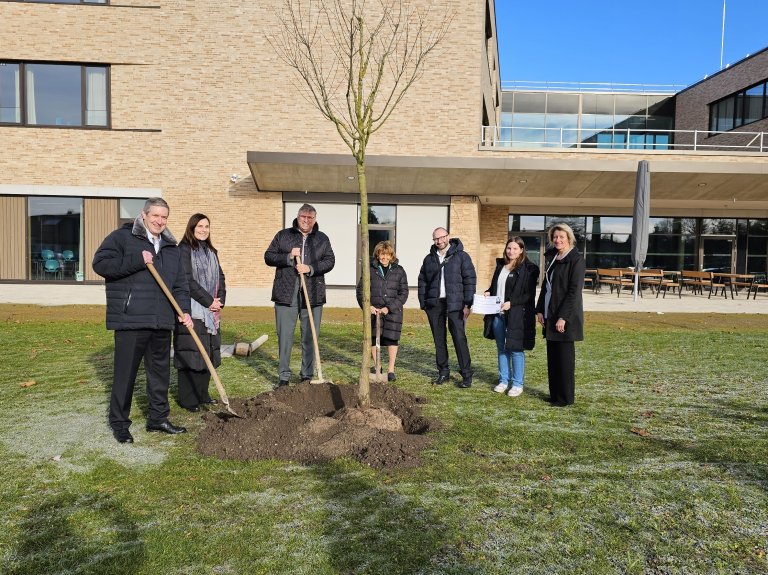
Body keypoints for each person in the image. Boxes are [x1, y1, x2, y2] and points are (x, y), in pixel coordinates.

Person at [92, 197, 193, 444]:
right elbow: (100, 264)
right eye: (155, 215)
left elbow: (180, 284)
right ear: (144, 215)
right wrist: (138, 260)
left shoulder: (171, 247)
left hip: (161, 320)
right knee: (125, 375)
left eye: (164, 217)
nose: (159, 221)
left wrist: (184, 309)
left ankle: (158, 418)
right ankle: (120, 423)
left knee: (159, 374)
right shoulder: (122, 237)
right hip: (131, 319)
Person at [264, 204, 335, 387]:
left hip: (313, 294)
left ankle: (306, 375)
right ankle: (284, 376)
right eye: (303, 216)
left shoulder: (321, 239)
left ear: (315, 220)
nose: (306, 220)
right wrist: (288, 256)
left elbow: (330, 261)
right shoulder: (283, 235)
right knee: (285, 336)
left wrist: (310, 268)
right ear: (297, 216)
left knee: (310, 336)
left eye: (310, 218)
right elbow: (269, 256)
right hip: (286, 293)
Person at [173, 213, 226, 412]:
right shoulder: (184, 250)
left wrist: (219, 301)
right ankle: (188, 399)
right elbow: (187, 280)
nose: (204, 230)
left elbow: (221, 277)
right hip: (192, 309)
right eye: (200, 226)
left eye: (207, 226)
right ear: (192, 228)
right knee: (192, 354)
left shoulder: (211, 251)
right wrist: (208, 300)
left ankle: (203, 394)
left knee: (208, 353)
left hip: (211, 313)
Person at [417, 227, 476, 388]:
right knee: (439, 340)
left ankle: (466, 374)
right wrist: (424, 302)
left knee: (459, 338)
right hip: (435, 305)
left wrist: (468, 303)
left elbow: (470, 279)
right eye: (436, 239)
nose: (439, 241)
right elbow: (422, 280)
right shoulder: (429, 259)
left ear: (448, 237)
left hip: (456, 304)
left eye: (442, 237)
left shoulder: (462, 257)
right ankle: (443, 371)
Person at [535, 223, 585, 407]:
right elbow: (545, 287)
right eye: (555, 237)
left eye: (561, 237)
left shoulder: (576, 260)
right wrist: (539, 309)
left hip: (565, 317)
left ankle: (565, 398)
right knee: (553, 358)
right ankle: (555, 395)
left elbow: (574, 292)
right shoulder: (553, 258)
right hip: (550, 313)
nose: (557, 240)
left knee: (564, 360)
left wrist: (563, 317)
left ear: (569, 238)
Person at [483, 237, 539, 397]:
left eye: (515, 248)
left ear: (521, 250)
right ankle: (503, 380)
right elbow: (497, 286)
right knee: (501, 348)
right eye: (509, 248)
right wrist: (489, 291)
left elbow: (529, 295)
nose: (511, 251)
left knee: (515, 349)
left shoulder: (529, 269)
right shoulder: (500, 265)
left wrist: (511, 303)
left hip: (516, 315)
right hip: (498, 315)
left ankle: (517, 384)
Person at [356, 240, 409, 382]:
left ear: (391, 256)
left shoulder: (399, 270)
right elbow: (361, 291)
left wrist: (389, 308)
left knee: (392, 339)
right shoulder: (370, 269)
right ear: (377, 255)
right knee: (374, 338)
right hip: (374, 311)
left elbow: (403, 293)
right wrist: (368, 307)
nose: (384, 258)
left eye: (387, 255)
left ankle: (391, 369)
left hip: (393, 312)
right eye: (381, 255)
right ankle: (377, 366)